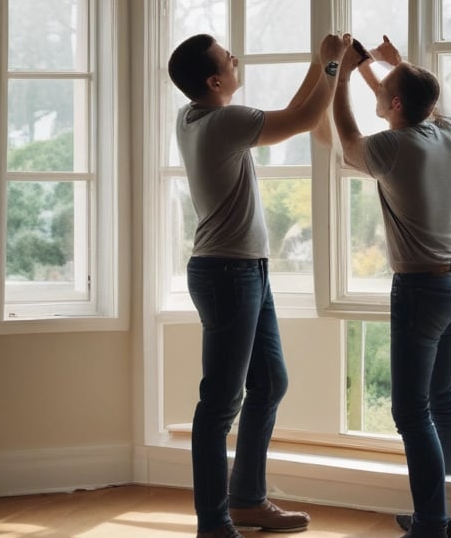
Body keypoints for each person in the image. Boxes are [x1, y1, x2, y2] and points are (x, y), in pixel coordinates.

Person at [168, 32, 351, 538]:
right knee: (220, 403)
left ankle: (247, 500)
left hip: (244, 269)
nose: (235, 59)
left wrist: (321, 66)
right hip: (229, 272)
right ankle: (213, 521)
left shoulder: (192, 116)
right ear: (214, 80)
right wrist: (333, 65)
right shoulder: (226, 121)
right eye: (228, 58)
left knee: (269, 383)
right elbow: (305, 119)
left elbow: (295, 110)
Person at [332, 35, 451, 538]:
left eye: (386, 92)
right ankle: (449, 505)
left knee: (410, 410)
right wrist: (393, 66)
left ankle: (432, 524)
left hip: (421, 290)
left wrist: (341, 76)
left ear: (394, 105)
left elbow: (350, 140)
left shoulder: (392, 147)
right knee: (444, 399)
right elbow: (418, 100)